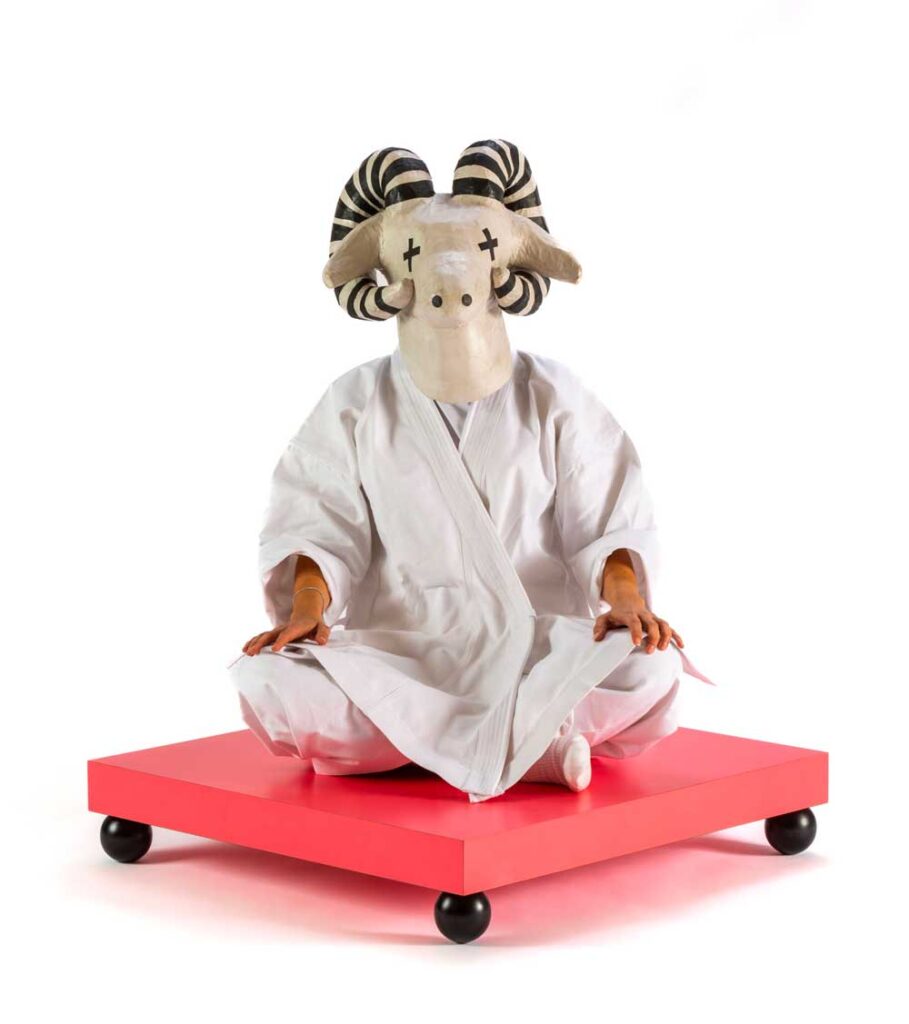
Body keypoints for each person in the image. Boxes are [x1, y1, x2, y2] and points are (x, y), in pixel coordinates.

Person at [230, 142, 711, 802]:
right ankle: (536, 745)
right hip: (404, 653)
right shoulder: (356, 400)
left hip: (539, 649)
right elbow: (319, 523)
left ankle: (424, 744)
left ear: (498, 271)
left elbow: (604, 516)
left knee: (651, 670)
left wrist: (625, 600)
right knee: (269, 682)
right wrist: (309, 611)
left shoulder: (552, 394)